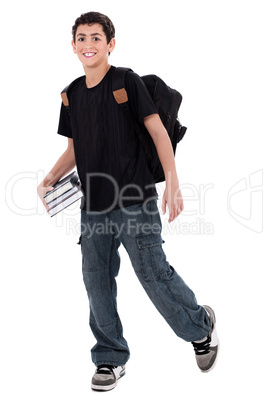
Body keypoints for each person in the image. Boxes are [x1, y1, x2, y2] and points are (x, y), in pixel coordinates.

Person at [37, 11, 219, 392]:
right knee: (96, 280)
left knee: (153, 274)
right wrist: (50, 178)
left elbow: (157, 132)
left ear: (110, 44)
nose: (89, 45)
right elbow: (74, 149)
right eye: (82, 38)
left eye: (96, 38)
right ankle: (109, 357)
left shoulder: (126, 81)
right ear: (73, 46)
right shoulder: (70, 94)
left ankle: (201, 326)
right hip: (93, 207)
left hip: (135, 199)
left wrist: (172, 182)